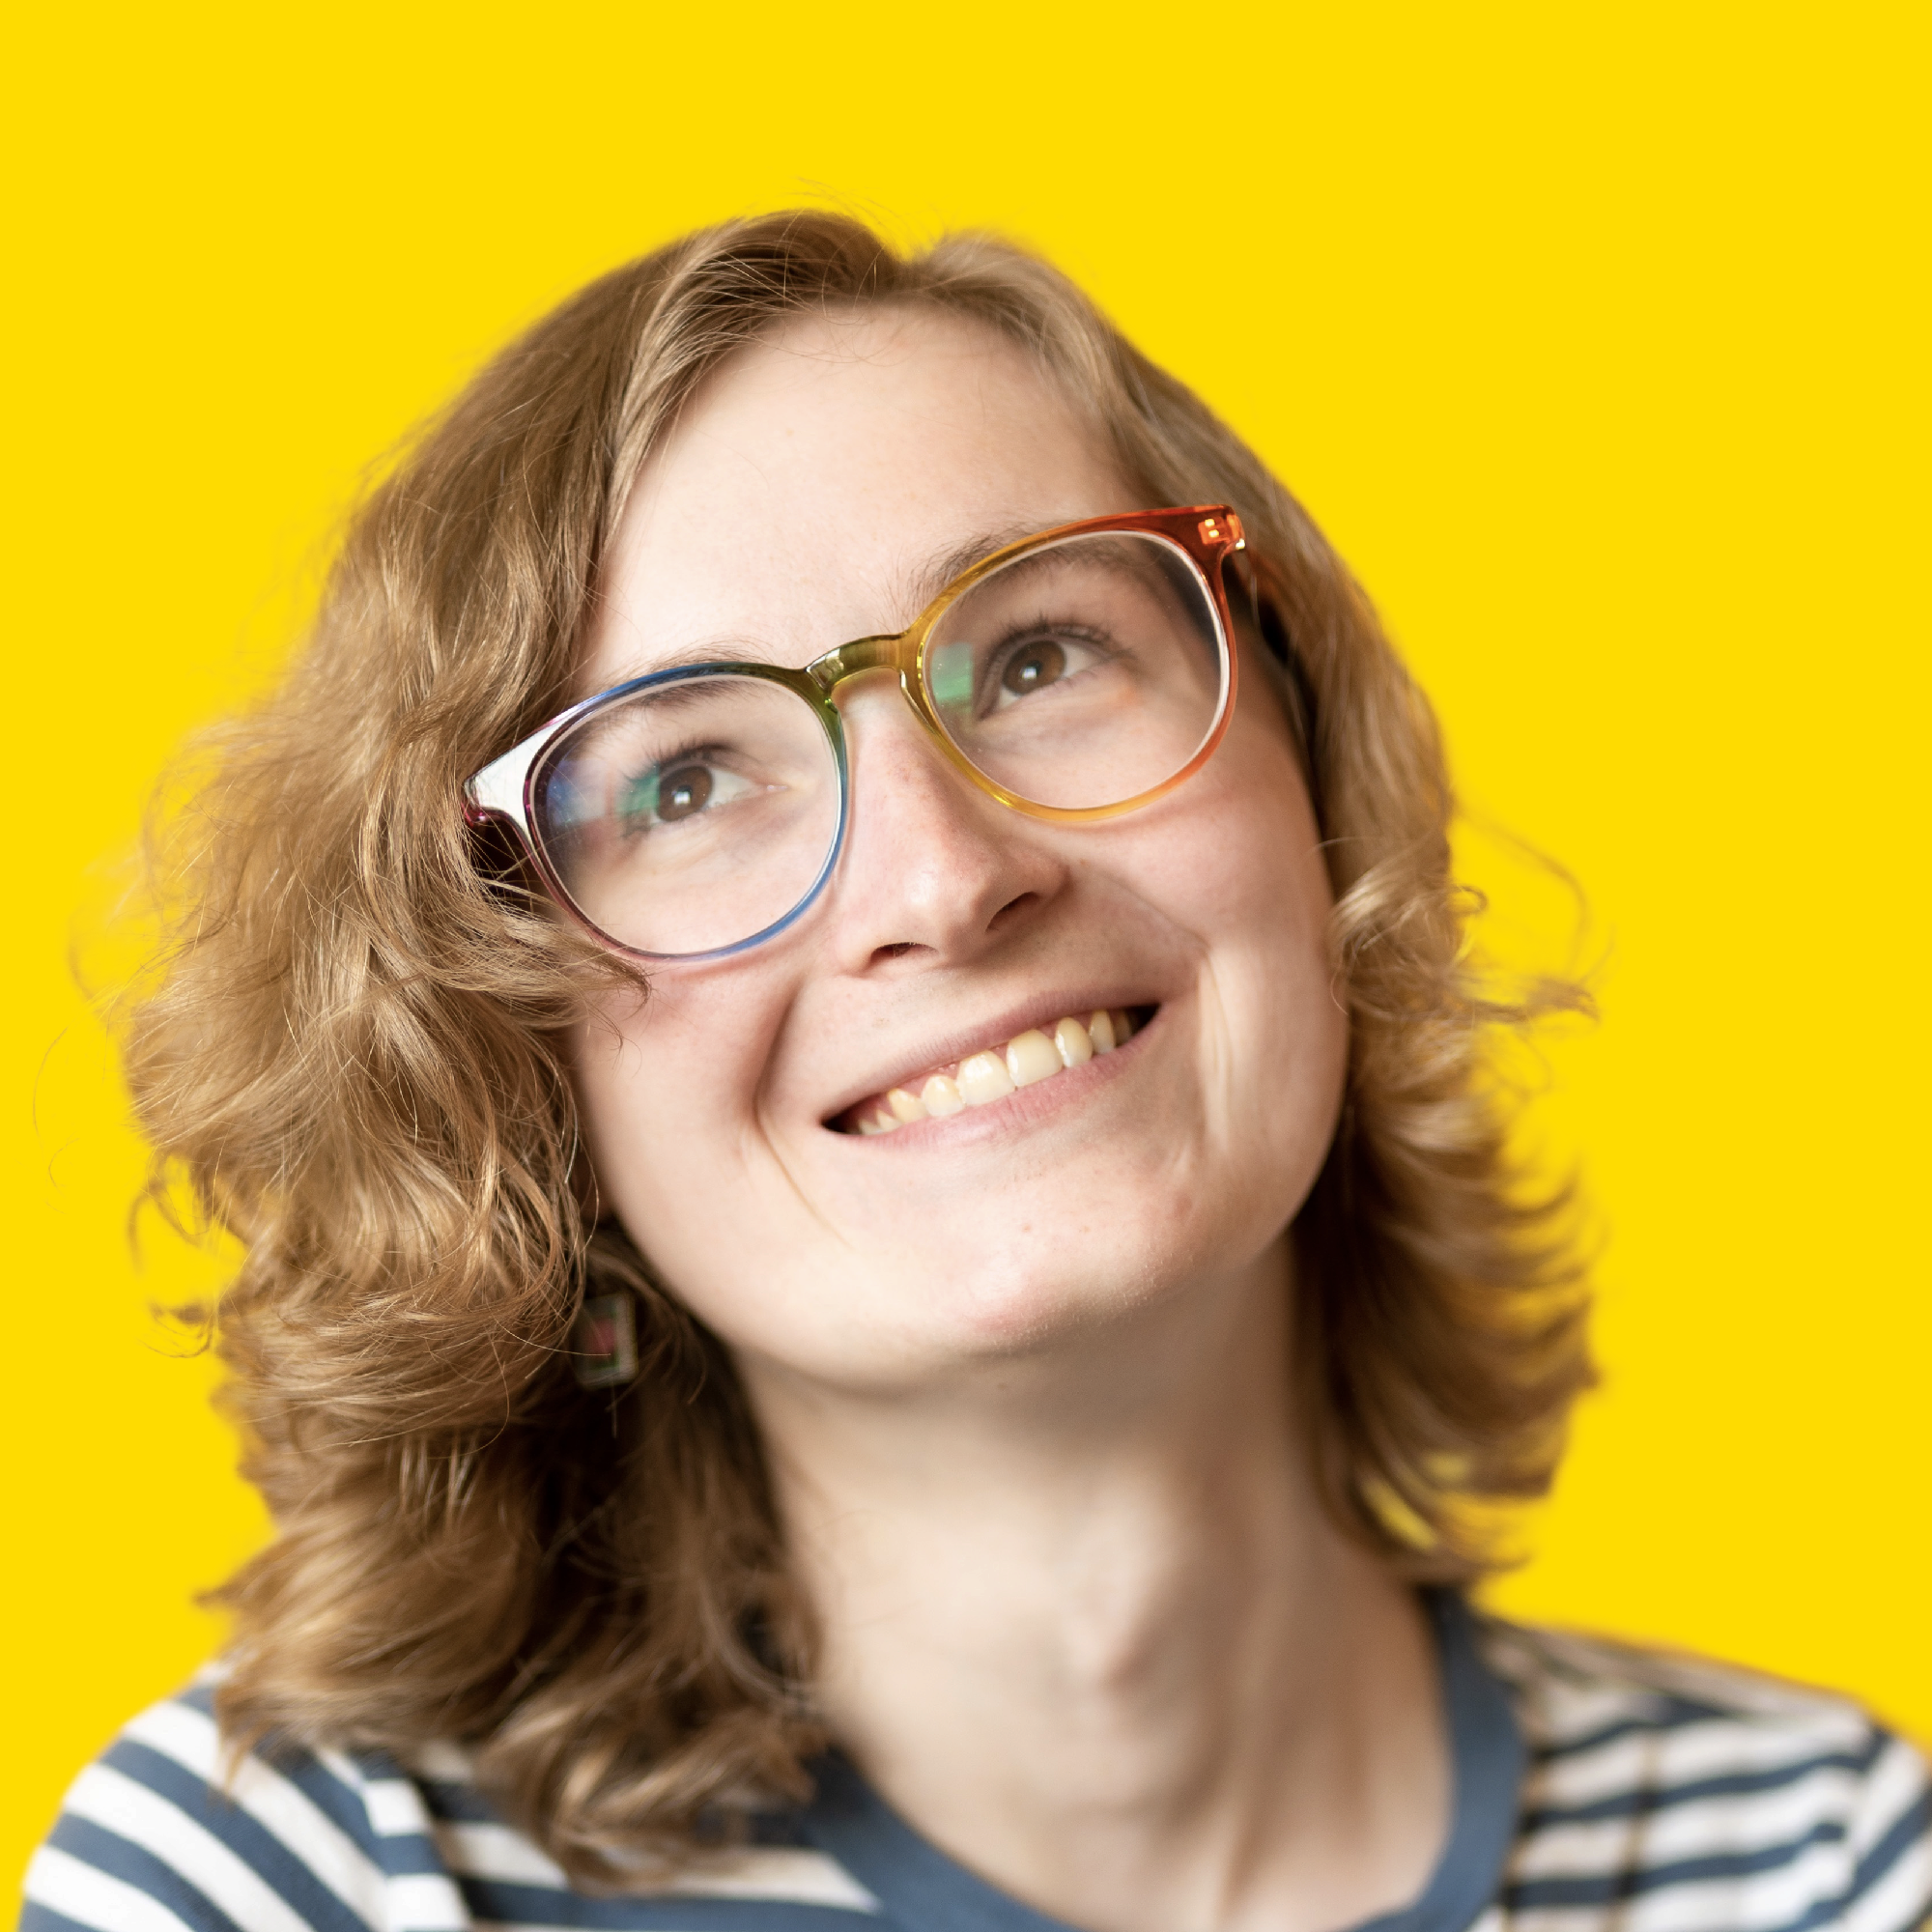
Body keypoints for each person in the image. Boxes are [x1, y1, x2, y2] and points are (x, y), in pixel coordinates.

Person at [22, 213, 1929, 1932]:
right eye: (684, 780)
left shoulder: (1830, 1865)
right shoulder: (282, 1889)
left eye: (1034, 656)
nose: (940, 878)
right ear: (510, 1059)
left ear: (1314, 785)